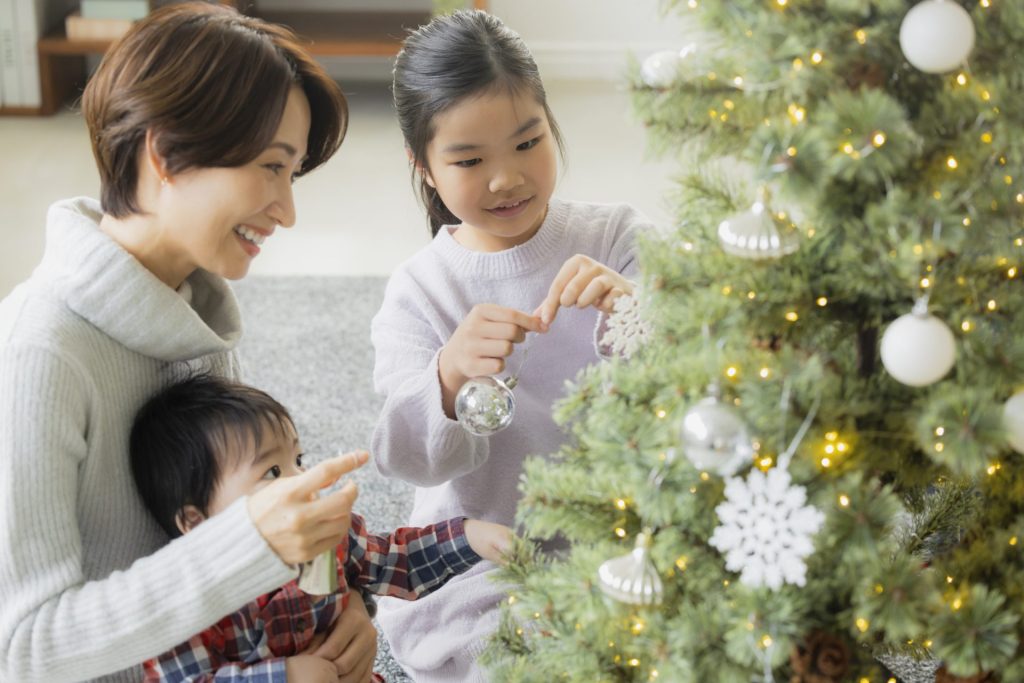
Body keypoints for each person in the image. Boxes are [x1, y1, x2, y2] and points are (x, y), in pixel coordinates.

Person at [0, 4, 380, 681]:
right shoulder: (41, 351)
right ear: (166, 151)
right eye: (271, 167)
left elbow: (213, 540)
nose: (287, 210)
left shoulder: (189, 316)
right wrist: (252, 541)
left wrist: (339, 606)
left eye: (292, 175)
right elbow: (24, 648)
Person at [371, 9, 655, 681]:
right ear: (424, 165)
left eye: (528, 143)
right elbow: (402, 456)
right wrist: (446, 377)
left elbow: (709, 375)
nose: (507, 177)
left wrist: (638, 312)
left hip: (629, 535)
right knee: (514, 652)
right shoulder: (419, 291)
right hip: (489, 550)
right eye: (469, 160)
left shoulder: (616, 237)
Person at [129, 374, 512, 682]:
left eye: (299, 459)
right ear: (196, 522)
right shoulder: (187, 599)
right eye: (273, 472)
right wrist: (285, 676)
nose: (303, 478)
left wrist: (470, 537)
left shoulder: (322, 537)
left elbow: (394, 559)